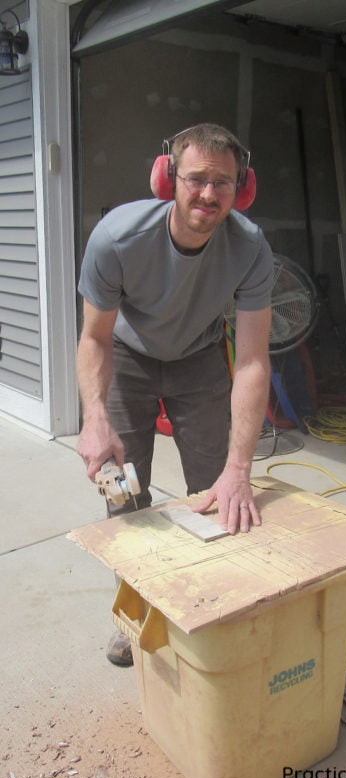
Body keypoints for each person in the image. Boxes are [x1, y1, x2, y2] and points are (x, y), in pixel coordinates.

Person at [76, 123, 273, 665]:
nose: (209, 194)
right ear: (168, 178)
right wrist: (94, 417)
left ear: (243, 188)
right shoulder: (117, 238)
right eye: (197, 178)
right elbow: (93, 337)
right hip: (129, 358)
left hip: (200, 359)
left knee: (218, 492)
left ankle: (209, 604)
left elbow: (254, 360)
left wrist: (241, 467)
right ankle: (136, 609)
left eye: (224, 182)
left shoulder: (251, 247)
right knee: (125, 494)